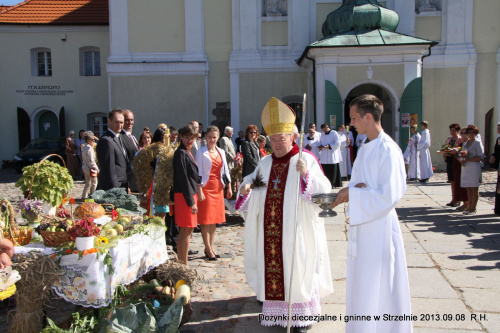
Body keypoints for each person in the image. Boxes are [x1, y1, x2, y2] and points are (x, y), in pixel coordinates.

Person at [236, 97, 333, 332]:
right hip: (270, 233)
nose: (278, 144)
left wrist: (305, 177)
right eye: (273, 140)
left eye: (282, 139)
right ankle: (278, 314)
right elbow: (254, 182)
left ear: (292, 137)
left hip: (296, 231)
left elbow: (324, 189)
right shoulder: (266, 163)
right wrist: (246, 187)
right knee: (275, 270)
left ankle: (299, 317)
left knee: (298, 267)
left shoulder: (305, 159)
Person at [331, 94, 412, 333]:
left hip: (379, 228)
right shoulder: (366, 146)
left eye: (354, 118)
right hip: (362, 226)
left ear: (368, 116)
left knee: (380, 283)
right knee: (361, 284)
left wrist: (354, 193)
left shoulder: (388, 149)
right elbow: (362, 185)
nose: (351, 123)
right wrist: (355, 191)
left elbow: (390, 194)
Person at [195, 126, 232, 260]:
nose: (212, 139)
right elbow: (198, 173)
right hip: (206, 187)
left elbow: (225, 169)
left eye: (214, 137)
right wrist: (199, 189)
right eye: (210, 137)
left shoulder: (221, 151)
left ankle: (211, 246)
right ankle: (207, 248)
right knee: (206, 219)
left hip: (218, 187)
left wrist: (229, 186)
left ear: (218, 137)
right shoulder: (201, 153)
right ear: (206, 137)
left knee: (214, 220)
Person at [172, 125, 203, 266]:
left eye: (192, 138)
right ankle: (183, 264)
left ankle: (182, 263)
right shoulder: (180, 153)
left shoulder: (188, 152)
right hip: (184, 195)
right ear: (181, 136)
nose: (189, 140)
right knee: (185, 229)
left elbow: (194, 176)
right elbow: (183, 179)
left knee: (189, 229)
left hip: (190, 194)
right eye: (186, 137)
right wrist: (191, 202)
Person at [96, 108, 128, 191]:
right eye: (117, 122)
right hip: (113, 188)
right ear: (109, 121)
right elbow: (109, 170)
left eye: (122, 122)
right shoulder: (106, 140)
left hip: (122, 185)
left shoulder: (119, 137)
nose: (120, 125)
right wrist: (115, 191)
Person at [459, 125, 484, 215]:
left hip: (474, 166)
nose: (471, 134)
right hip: (466, 167)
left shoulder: (477, 143)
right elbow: (462, 153)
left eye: (473, 132)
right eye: (469, 132)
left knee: (474, 187)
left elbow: (481, 156)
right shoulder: (466, 143)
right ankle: (469, 207)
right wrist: (461, 157)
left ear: (476, 133)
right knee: (468, 187)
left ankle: (473, 208)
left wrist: (469, 159)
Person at [121, 110, 140, 192]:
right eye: (127, 120)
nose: (130, 122)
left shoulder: (132, 137)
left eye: (131, 120)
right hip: (128, 179)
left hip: (136, 178)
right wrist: (127, 184)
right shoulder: (121, 137)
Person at [318, 123, 342, 188]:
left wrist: (330, 146)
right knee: (325, 169)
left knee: (332, 170)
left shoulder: (334, 133)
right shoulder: (322, 134)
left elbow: (338, 142)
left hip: (332, 154)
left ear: (327, 127)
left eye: (325, 130)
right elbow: (321, 142)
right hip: (324, 154)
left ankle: (333, 183)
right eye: (323, 130)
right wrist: (320, 146)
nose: (324, 131)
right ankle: (326, 183)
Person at [451, 128, 469, 211]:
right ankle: (465, 203)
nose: (463, 135)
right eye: (462, 133)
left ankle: (468, 204)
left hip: (468, 166)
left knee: (468, 186)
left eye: (465, 133)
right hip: (460, 166)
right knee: (462, 185)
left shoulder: (469, 143)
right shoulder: (462, 143)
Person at [443, 124, 460, 207]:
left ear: (458, 131)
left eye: (454, 130)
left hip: (456, 161)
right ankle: (453, 198)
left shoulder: (459, 140)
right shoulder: (449, 140)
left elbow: (460, 151)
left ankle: (458, 199)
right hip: (450, 161)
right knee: (452, 180)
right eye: (451, 130)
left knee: (456, 180)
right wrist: (445, 153)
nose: (452, 132)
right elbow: (446, 149)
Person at [81, 131, 99, 199]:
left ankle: (84, 197)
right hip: (91, 168)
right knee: (94, 183)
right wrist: (96, 168)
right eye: (92, 139)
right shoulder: (89, 148)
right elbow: (91, 160)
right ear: (88, 140)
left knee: (87, 183)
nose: (93, 141)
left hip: (85, 167)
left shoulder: (84, 147)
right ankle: (93, 197)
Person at [489, 122, 500, 215]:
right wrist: (493, 156)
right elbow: (497, 152)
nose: (498, 129)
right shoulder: (498, 139)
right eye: (498, 128)